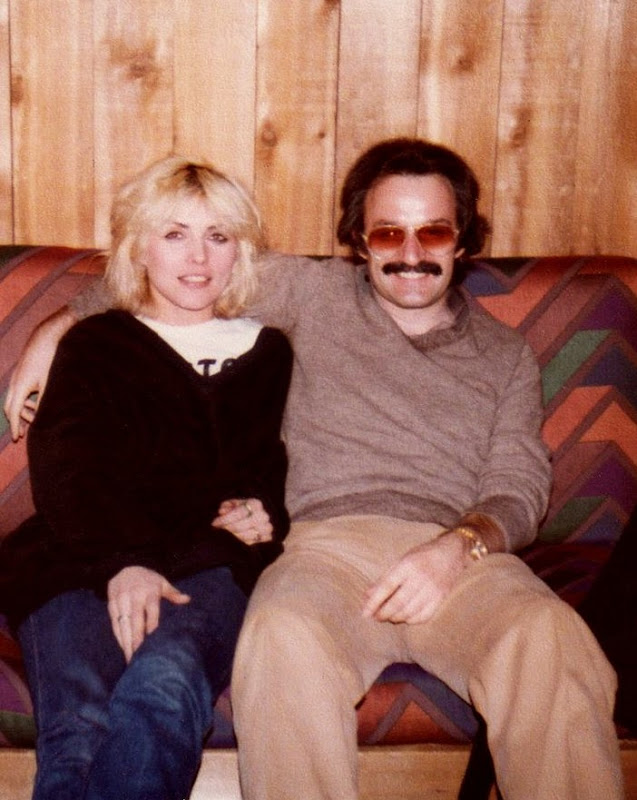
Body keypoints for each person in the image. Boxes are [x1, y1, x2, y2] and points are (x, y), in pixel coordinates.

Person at [4, 139, 622, 799]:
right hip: (320, 548)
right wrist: (54, 329)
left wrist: (459, 546)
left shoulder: (505, 354)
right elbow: (176, 267)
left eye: (434, 231)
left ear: (463, 240)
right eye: (388, 232)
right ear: (359, 241)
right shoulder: (313, 293)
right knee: (280, 638)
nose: (411, 253)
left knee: (550, 639)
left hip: (459, 555)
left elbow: (519, 486)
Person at [0, 156, 292, 800]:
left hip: (209, 560)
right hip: (77, 556)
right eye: (175, 234)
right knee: (79, 722)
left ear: (240, 251)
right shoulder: (94, 343)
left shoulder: (269, 350)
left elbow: (264, 462)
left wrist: (259, 508)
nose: (198, 257)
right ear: (139, 248)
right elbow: (68, 472)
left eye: (218, 236)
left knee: (164, 685)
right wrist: (124, 563)